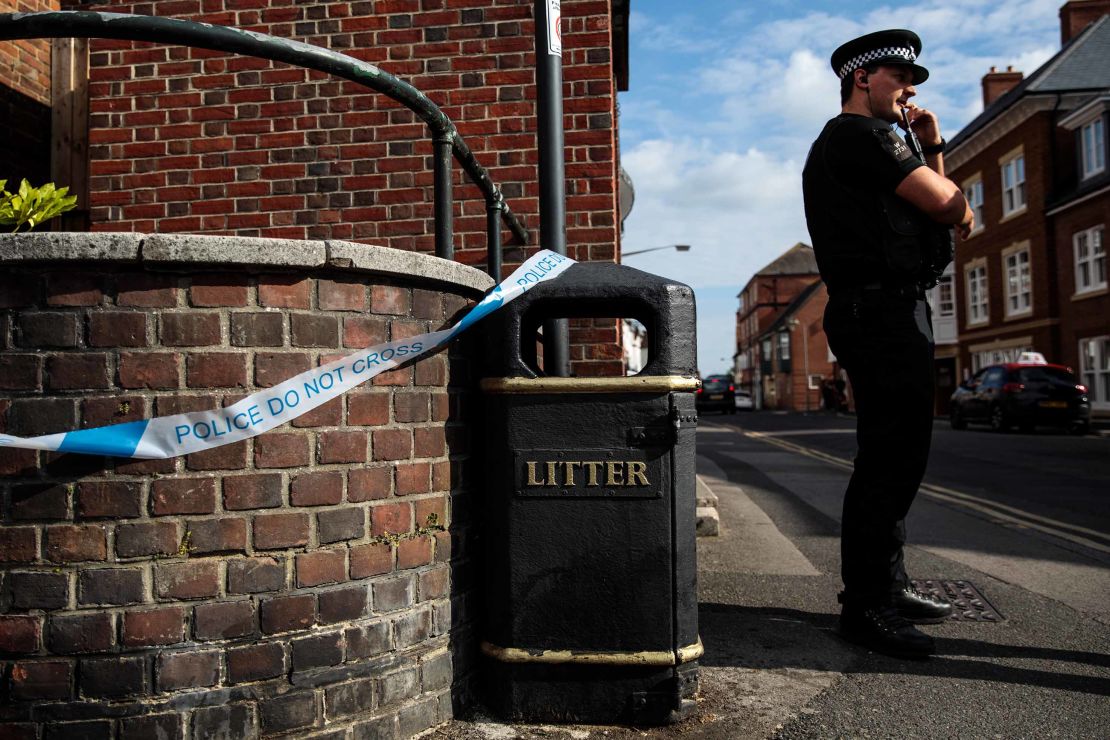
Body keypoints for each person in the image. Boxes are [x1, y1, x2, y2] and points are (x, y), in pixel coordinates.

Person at [802, 29, 974, 658]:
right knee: (890, 459)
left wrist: (932, 155)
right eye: (900, 78)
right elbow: (950, 206)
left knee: (897, 456)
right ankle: (867, 607)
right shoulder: (862, 136)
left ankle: (888, 588)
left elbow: (942, 205)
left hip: (885, 308)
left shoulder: (868, 140)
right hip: (880, 311)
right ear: (862, 78)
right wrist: (934, 155)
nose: (908, 92)